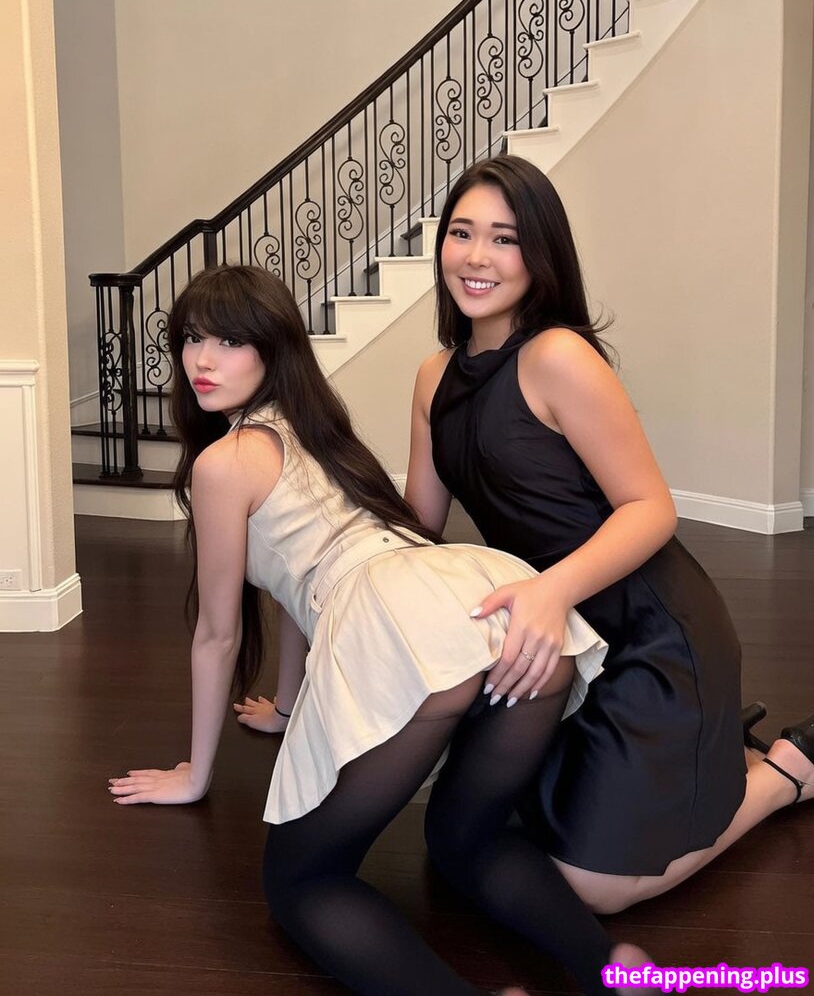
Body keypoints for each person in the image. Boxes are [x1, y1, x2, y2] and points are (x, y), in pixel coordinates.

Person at [107, 264, 655, 996]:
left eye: (230, 342)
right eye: (191, 339)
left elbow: (217, 635)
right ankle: (613, 968)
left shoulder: (223, 463)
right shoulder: (315, 428)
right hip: (492, 605)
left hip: (406, 627)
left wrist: (195, 775)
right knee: (469, 840)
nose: (202, 361)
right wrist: (288, 707)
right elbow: (301, 587)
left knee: (303, 883)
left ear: (274, 348)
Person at [403, 154, 814, 915]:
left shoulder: (557, 356)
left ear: (541, 254)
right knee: (499, 828)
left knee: (594, 888)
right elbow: (418, 528)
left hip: (649, 633)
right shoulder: (434, 375)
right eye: (462, 233)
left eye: (504, 238)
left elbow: (652, 507)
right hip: (556, 637)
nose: (477, 256)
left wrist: (551, 589)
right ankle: (712, 751)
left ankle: (785, 772)